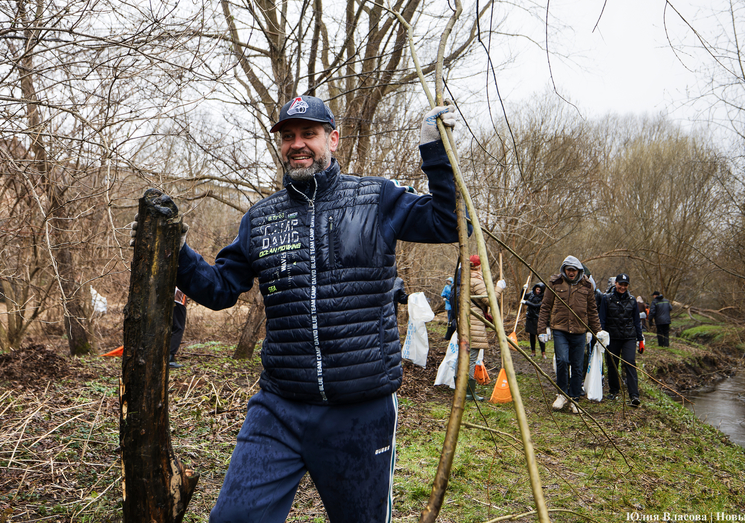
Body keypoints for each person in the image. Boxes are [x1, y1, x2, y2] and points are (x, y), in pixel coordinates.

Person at [174, 95, 462, 522]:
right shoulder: (261, 219)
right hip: (279, 408)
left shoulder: (376, 198)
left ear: (333, 138)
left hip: (360, 411)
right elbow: (219, 289)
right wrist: (174, 250)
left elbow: (452, 222)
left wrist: (436, 154)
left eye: (308, 133)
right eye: (288, 136)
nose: (298, 144)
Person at [537, 256, 601, 413]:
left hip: (580, 331)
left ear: (579, 270)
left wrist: (597, 331)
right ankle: (562, 394)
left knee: (578, 366)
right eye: (568, 270)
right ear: (564, 269)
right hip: (560, 329)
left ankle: (574, 399)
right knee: (562, 360)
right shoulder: (555, 282)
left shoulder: (587, 285)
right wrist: (541, 328)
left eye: (574, 270)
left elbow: (592, 310)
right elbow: (545, 306)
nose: (571, 273)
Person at [599, 273, 644, 407]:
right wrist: (600, 335)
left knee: (629, 362)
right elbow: (602, 318)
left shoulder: (632, 300)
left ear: (628, 286)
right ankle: (614, 390)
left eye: (625, 285)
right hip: (612, 336)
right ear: (616, 284)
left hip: (628, 337)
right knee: (612, 363)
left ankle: (634, 395)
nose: (622, 287)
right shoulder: (606, 299)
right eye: (620, 284)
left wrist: (640, 339)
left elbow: (637, 321)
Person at [466, 254, 506, 401]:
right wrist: (499, 288)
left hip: (465, 321)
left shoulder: (463, 278)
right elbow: (489, 301)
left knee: (464, 356)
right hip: (474, 322)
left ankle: (463, 390)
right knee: (471, 358)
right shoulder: (476, 280)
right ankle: (469, 392)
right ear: (479, 266)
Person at [522, 282, 546, 358]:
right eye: (537, 289)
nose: (538, 291)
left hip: (538, 318)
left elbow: (537, 306)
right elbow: (523, 297)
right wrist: (523, 289)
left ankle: (543, 353)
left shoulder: (543, 297)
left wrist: (527, 303)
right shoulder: (531, 294)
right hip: (530, 317)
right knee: (532, 335)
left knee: (540, 336)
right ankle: (533, 352)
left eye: (540, 290)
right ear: (535, 288)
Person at [168, 287, 187, 369]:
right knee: (178, 328)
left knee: (170, 327)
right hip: (177, 299)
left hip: (168, 297)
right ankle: (169, 359)